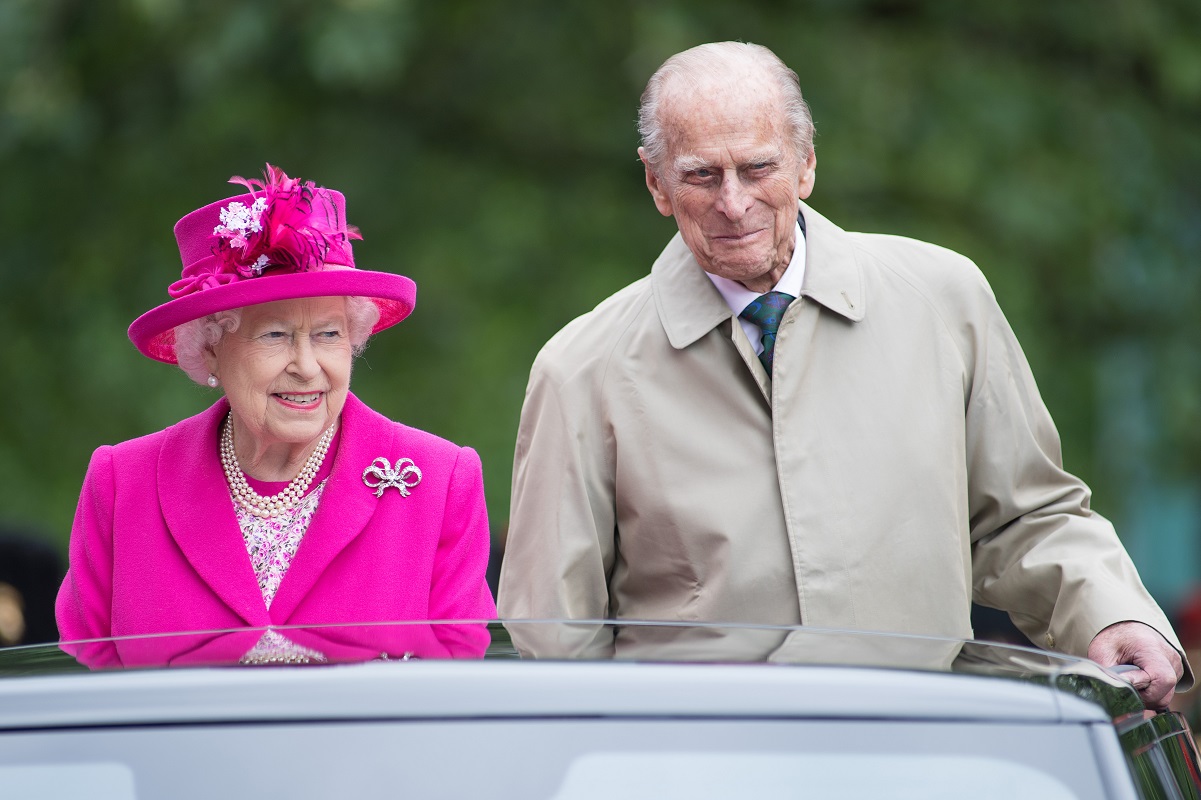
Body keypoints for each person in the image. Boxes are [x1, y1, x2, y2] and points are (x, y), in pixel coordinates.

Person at [498, 42, 1189, 707]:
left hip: (914, 752)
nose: (732, 203)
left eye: (758, 168)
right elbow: (554, 641)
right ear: (656, 183)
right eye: (701, 175)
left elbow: (1025, 517)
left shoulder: (944, 299)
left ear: (805, 166)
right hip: (696, 765)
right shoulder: (580, 368)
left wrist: (1109, 614)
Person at [57, 164, 495, 667]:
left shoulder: (439, 481)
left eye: (329, 335)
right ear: (211, 350)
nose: (307, 367)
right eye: (275, 335)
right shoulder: (122, 483)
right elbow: (81, 682)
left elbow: (458, 698)